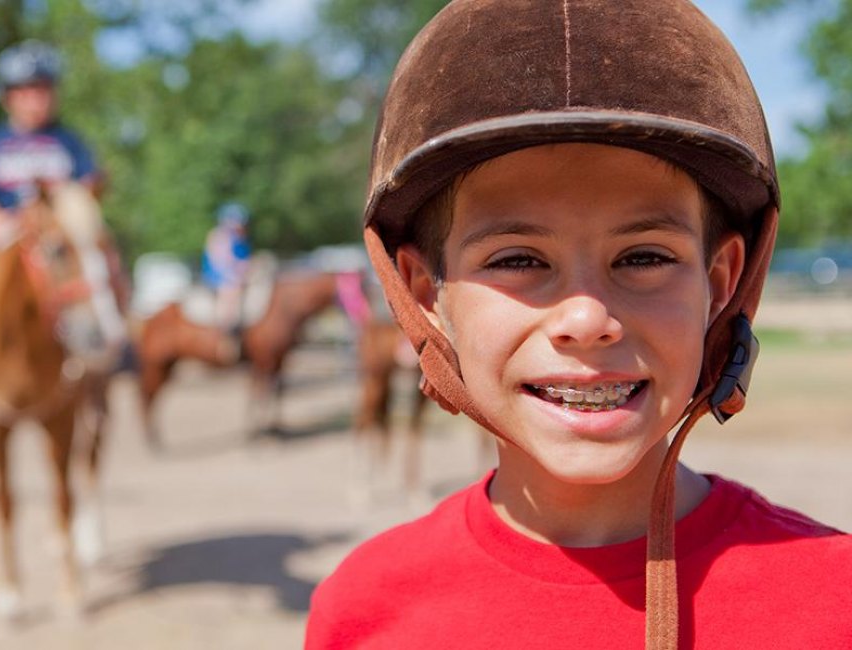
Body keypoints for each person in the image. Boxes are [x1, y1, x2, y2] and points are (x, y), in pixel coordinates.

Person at [305, 1, 852, 648]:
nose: (588, 319)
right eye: (518, 260)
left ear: (721, 280)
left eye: (645, 257)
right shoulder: (364, 610)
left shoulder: (833, 599)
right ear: (426, 294)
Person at [0, 39, 127, 317]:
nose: (37, 100)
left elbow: (87, 187)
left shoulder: (68, 141)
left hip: (57, 234)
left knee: (109, 269)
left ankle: (112, 339)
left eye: (44, 90)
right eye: (27, 91)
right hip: (2, 230)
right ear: (9, 97)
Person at [201, 201, 252, 331]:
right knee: (231, 291)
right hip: (219, 277)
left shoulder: (241, 238)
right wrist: (234, 276)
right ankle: (227, 329)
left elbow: (244, 261)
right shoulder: (218, 236)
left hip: (237, 275)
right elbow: (220, 262)